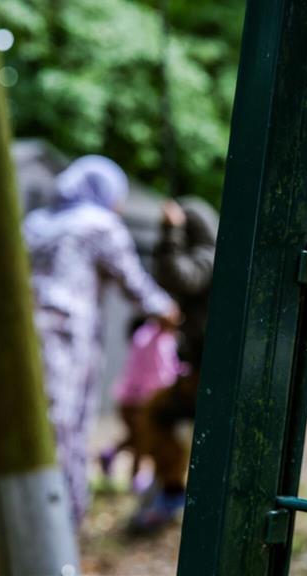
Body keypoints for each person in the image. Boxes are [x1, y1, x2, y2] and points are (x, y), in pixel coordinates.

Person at [0, 155, 178, 527]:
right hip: (61, 339)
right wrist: (167, 311)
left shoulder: (37, 223)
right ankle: (54, 520)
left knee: (8, 418)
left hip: (12, 333)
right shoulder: (100, 225)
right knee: (60, 424)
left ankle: (2, 513)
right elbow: (136, 285)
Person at [128, 196, 218, 533]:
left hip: (208, 375)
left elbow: (177, 276)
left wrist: (171, 230)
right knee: (155, 414)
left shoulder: (208, 256)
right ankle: (169, 488)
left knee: (156, 415)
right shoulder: (209, 256)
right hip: (197, 370)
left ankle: (171, 492)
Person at [99, 316, 183, 492]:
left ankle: (113, 455)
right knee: (143, 439)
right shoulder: (153, 338)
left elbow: (168, 367)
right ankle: (135, 479)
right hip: (139, 399)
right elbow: (159, 374)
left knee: (138, 438)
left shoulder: (154, 337)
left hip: (135, 398)